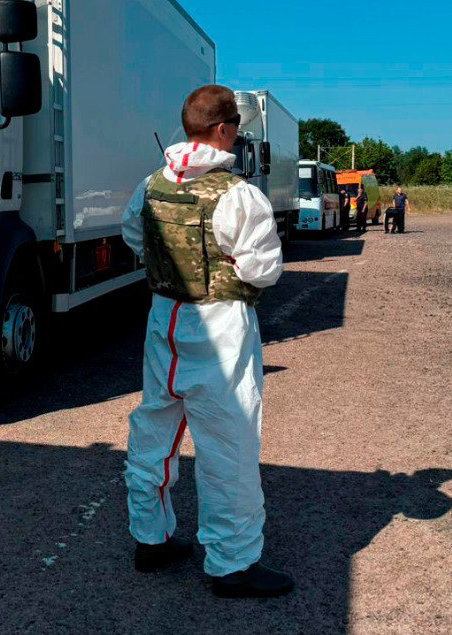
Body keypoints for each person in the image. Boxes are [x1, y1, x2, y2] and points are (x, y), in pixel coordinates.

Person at [122, 84, 292, 599]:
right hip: (221, 328)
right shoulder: (239, 194)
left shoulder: (149, 186)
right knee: (229, 446)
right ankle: (232, 564)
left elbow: (136, 237)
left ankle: (150, 539)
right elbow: (263, 270)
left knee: (155, 428)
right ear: (224, 130)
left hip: (164, 320)